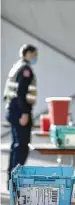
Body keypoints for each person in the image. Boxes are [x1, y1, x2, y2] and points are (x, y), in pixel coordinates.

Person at [3, 44, 38, 186]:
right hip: (20, 112)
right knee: (21, 147)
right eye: (34, 54)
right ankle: (16, 179)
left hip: (12, 110)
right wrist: (24, 113)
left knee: (16, 146)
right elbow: (21, 93)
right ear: (27, 53)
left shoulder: (17, 66)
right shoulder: (25, 70)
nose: (36, 57)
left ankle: (11, 179)